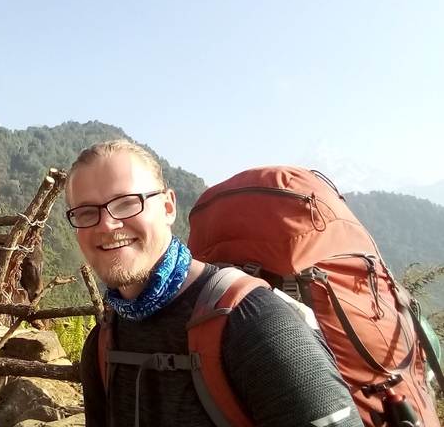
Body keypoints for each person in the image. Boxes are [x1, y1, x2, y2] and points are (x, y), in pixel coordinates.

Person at [65, 139, 363, 427]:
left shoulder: (255, 324)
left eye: (127, 203)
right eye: (87, 212)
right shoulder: (103, 343)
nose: (107, 224)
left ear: (168, 208)